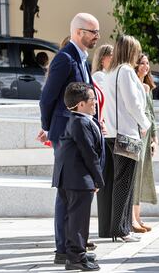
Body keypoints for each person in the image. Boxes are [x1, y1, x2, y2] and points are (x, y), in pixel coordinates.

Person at [37, 12, 101, 264]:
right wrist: (49, 129)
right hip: (66, 134)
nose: (97, 36)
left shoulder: (82, 59)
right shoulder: (65, 59)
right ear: (79, 32)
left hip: (76, 132)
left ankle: (69, 247)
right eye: (93, 32)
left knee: (70, 192)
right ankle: (65, 248)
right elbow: (47, 97)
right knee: (69, 191)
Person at [103, 34, 151, 242]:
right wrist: (145, 123)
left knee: (119, 182)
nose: (139, 55)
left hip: (113, 134)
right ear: (131, 51)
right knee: (125, 183)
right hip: (127, 134)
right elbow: (133, 103)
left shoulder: (110, 72)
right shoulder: (126, 72)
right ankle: (120, 230)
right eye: (137, 51)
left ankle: (121, 228)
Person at [53, 82, 104, 271]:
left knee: (73, 218)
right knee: (78, 220)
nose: (96, 102)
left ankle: (75, 253)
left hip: (72, 177)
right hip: (77, 178)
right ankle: (76, 257)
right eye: (92, 99)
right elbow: (89, 153)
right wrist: (98, 179)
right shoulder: (80, 122)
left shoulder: (80, 120)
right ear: (81, 104)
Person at [132, 54, 158, 233]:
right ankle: (132, 218)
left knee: (143, 174)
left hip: (148, 132)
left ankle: (138, 217)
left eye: (147, 63)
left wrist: (155, 137)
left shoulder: (148, 87)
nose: (145, 66)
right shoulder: (134, 85)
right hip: (138, 131)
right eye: (142, 63)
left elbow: (151, 113)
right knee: (137, 173)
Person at [91, 44, 114, 238]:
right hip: (105, 134)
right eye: (111, 56)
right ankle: (105, 227)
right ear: (102, 58)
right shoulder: (99, 77)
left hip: (109, 132)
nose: (114, 58)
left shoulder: (108, 76)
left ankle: (109, 226)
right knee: (105, 183)